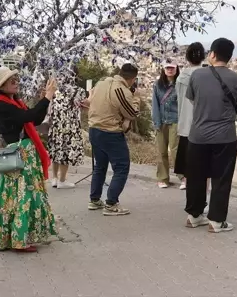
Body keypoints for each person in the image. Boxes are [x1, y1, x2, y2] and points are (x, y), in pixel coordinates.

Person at [0, 67, 57, 252]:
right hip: (18, 154)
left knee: (17, 196)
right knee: (21, 196)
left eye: (16, 79)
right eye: (12, 81)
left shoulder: (13, 103)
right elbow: (30, 117)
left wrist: (45, 100)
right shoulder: (4, 106)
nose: (16, 82)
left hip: (23, 153)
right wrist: (47, 97)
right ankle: (19, 239)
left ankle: (13, 237)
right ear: (1, 86)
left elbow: (34, 119)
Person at [184, 38, 237, 233]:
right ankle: (216, 221)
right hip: (225, 137)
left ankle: (194, 216)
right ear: (228, 57)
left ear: (212, 54)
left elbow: (192, 99)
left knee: (196, 177)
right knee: (221, 179)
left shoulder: (197, 75)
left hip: (198, 136)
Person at [87, 63, 140, 216]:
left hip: (94, 129)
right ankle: (111, 203)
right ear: (132, 79)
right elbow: (132, 113)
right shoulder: (121, 90)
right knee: (122, 167)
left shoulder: (102, 82)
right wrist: (136, 99)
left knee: (100, 166)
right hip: (110, 132)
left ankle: (95, 199)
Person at [47, 67, 88, 189]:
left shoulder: (57, 90)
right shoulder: (78, 91)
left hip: (56, 125)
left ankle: (54, 178)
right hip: (70, 126)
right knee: (66, 152)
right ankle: (62, 180)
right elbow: (86, 106)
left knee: (56, 151)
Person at [175, 43, 206, 190]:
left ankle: (186, 181)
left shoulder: (181, 77)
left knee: (186, 155)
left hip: (185, 122)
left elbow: (178, 97)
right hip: (201, 123)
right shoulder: (206, 75)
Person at [152, 60, 180, 188]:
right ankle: (163, 178)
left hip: (175, 120)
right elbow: (155, 105)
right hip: (162, 121)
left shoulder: (180, 84)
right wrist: (156, 122)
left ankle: (183, 176)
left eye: (172, 68)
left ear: (176, 69)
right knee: (161, 151)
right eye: (167, 68)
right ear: (164, 69)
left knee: (176, 150)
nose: (170, 70)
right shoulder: (158, 85)